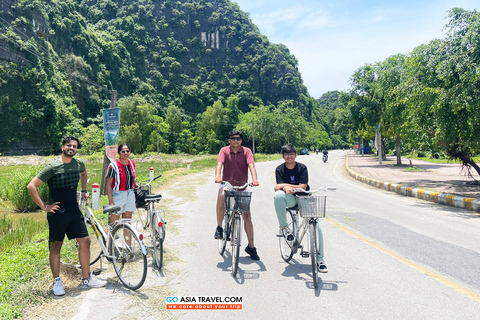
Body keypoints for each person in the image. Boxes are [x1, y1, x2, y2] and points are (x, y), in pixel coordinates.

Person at [27, 136, 107, 296]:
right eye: (69, 145)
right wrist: (44, 206)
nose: (72, 148)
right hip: (57, 213)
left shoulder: (79, 164)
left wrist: (84, 190)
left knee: (85, 241)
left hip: (74, 210)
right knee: (56, 246)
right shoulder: (52, 167)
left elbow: (84, 174)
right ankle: (57, 281)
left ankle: (86, 279)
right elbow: (32, 185)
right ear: (62, 146)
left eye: (74, 146)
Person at [273, 144, 328, 273]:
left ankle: (320, 259)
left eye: (292, 154)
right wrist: (284, 188)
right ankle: (285, 228)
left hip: (305, 199)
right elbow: (277, 187)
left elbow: (303, 186)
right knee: (278, 195)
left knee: (317, 226)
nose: (289, 156)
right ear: (283, 156)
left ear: (296, 155)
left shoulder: (302, 168)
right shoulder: (279, 169)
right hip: (291, 200)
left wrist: (287, 186)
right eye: (286, 154)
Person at [214, 130, 260, 260]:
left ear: (241, 140)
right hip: (227, 183)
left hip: (242, 185)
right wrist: (218, 176)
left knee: (247, 216)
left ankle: (251, 247)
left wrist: (254, 179)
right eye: (233, 138)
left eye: (238, 138)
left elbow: (251, 166)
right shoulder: (224, 150)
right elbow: (219, 164)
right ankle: (219, 227)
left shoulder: (247, 151)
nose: (236, 140)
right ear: (229, 140)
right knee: (221, 195)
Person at [106, 143, 138, 227]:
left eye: (128, 151)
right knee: (113, 224)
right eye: (123, 151)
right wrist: (111, 201)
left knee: (127, 224)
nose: (126, 153)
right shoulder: (113, 166)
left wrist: (134, 184)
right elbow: (108, 184)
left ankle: (128, 240)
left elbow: (130, 176)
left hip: (130, 194)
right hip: (118, 195)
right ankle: (108, 239)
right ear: (119, 153)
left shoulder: (132, 163)